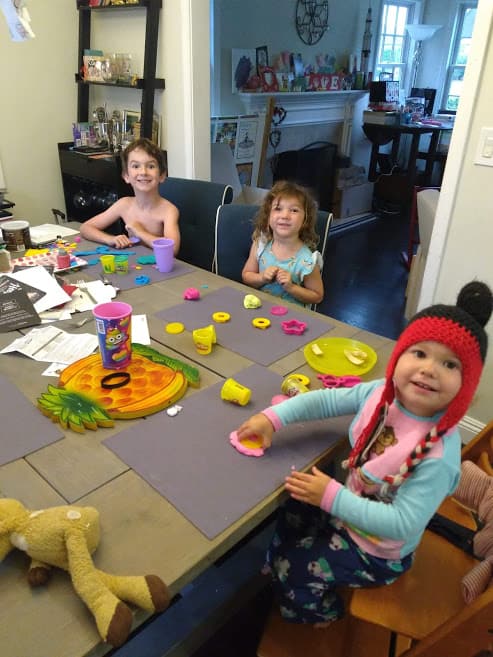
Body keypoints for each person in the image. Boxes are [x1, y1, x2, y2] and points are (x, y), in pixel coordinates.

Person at [235, 281, 492, 625]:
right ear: (399, 357)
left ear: (466, 388)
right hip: (347, 511)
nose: (430, 368)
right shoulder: (380, 394)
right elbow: (326, 400)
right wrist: (273, 418)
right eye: (419, 353)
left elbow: (402, 523)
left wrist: (331, 497)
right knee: (292, 505)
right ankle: (289, 557)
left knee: (293, 566)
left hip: (377, 552)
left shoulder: (438, 457)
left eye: (450, 365)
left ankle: (321, 614)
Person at [79, 138, 180, 253]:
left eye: (151, 166)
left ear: (162, 175)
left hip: (159, 268)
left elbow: (173, 250)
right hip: (134, 266)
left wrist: (139, 232)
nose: (143, 172)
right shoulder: (124, 204)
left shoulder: (169, 211)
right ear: (126, 176)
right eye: (136, 166)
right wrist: (110, 239)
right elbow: (85, 228)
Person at [241, 180, 324, 307]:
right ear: (268, 216)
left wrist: (291, 287)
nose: (285, 215)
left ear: (305, 220)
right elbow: (246, 276)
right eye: (278, 209)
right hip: (259, 312)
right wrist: (262, 277)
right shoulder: (260, 245)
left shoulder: (307, 261)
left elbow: (317, 296)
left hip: (290, 321)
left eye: (294, 210)